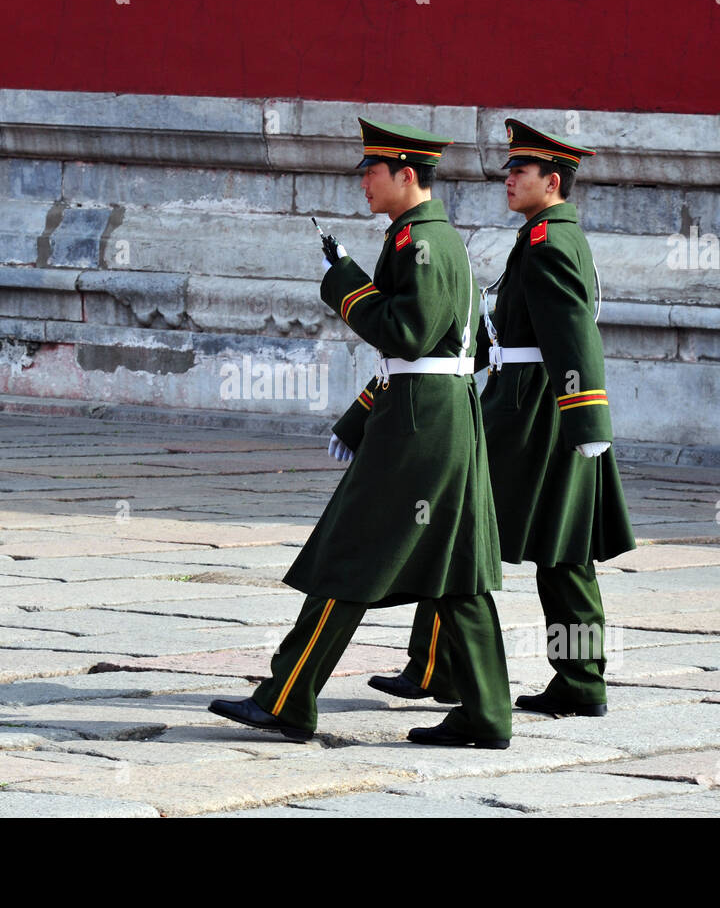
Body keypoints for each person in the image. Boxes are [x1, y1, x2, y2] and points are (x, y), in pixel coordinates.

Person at [208, 117, 513, 748]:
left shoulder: (417, 241)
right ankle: (486, 715)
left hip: (416, 424)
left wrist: (346, 285)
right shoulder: (435, 237)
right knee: (456, 571)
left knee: (348, 554)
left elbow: (408, 334)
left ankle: (289, 699)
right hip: (442, 413)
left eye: (373, 173)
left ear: (406, 175)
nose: (365, 185)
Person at [369, 119, 637, 716]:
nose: (509, 180)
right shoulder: (544, 236)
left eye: (521, 171)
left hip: (535, 411)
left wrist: (588, 421)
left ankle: (450, 670)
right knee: (561, 554)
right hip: (538, 406)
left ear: (554, 182)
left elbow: (574, 338)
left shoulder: (549, 242)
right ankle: (567, 680)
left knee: (459, 531)